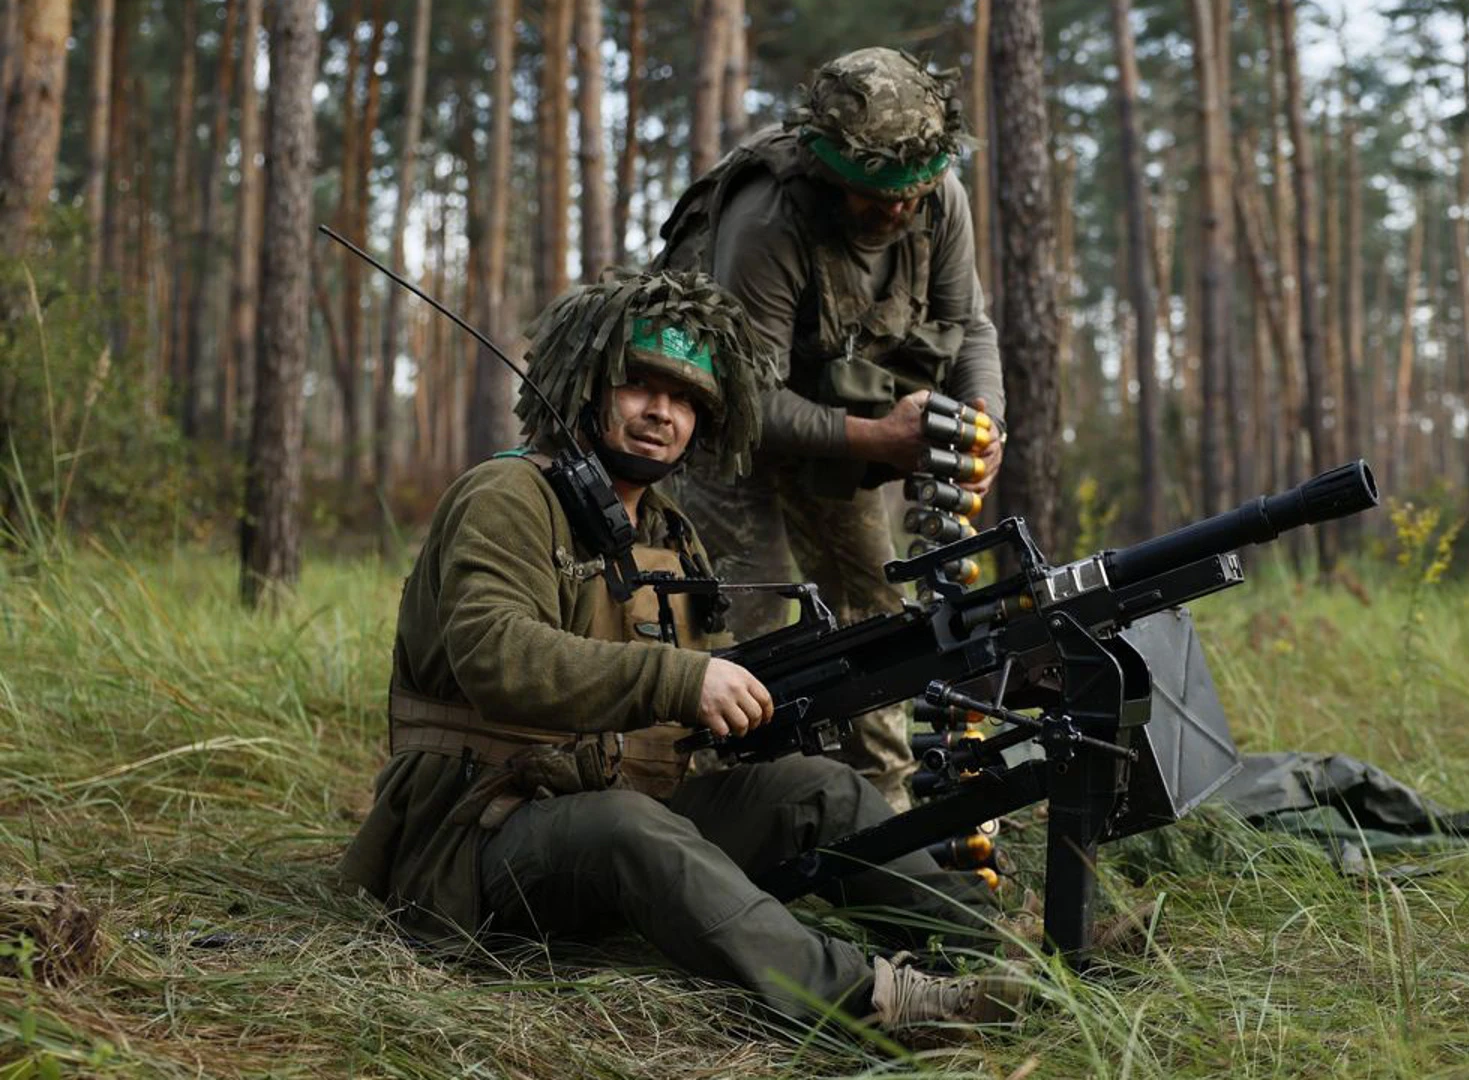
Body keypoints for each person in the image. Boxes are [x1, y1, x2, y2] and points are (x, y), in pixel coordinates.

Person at [338, 269, 1021, 1032]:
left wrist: (792, 697)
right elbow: (495, 654)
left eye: (689, 399)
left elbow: (701, 709)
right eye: (640, 386)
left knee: (819, 791)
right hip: (479, 840)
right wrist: (682, 678)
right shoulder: (507, 498)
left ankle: (1001, 959)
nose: (664, 412)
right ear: (586, 383)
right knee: (631, 826)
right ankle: (874, 1005)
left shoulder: (668, 532)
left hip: (624, 817)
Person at [656, 47, 1005, 811]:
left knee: (874, 611)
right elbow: (746, 399)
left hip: (842, 419)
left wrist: (985, 425)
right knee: (738, 618)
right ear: (831, 175)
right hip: (726, 430)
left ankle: (878, 818)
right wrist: (877, 441)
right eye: (877, 199)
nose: (899, 213)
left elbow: (968, 325)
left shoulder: (938, 196)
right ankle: (711, 814)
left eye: (912, 196)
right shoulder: (768, 221)